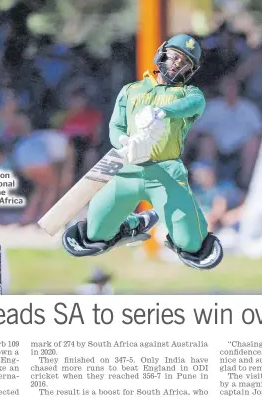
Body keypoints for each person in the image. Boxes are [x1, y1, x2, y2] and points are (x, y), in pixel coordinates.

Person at [61, 34, 223, 270]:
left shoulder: (190, 94)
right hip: (127, 168)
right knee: (94, 235)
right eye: (175, 56)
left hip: (166, 173)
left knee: (192, 246)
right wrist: (124, 143)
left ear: (191, 69)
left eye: (185, 62)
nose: (178, 63)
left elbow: (192, 106)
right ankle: (133, 225)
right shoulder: (131, 90)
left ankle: (177, 229)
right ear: (163, 52)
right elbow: (115, 127)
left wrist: (162, 113)